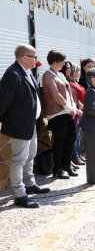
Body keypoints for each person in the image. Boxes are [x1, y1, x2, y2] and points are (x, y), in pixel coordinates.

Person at [0, 44, 50, 208]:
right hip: (19, 125)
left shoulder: (26, 71)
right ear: (24, 57)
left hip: (30, 123)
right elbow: (3, 101)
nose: (37, 60)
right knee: (19, 159)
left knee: (30, 155)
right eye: (34, 57)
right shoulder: (13, 74)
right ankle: (19, 194)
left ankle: (29, 184)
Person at [42, 50, 82, 178]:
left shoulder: (60, 74)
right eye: (62, 61)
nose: (64, 63)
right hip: (57, 113)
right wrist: (69, 108)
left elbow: (68, 93)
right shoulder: (48, 75)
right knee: (60, 140)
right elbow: (56, 94)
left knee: (71, 138)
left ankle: (67, 165)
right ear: (55, 61)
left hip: (68, 111)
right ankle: (58, 169)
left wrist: (74, 108)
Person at [68, 63, 86, 166]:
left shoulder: (76, 82)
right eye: (78, 71)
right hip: (77, 111)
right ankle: (75, 156)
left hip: (81, 111)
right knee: (76, 136)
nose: (79, 73)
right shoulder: (71, 83)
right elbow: (75, 98)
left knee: (78, 136)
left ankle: (78, 155)